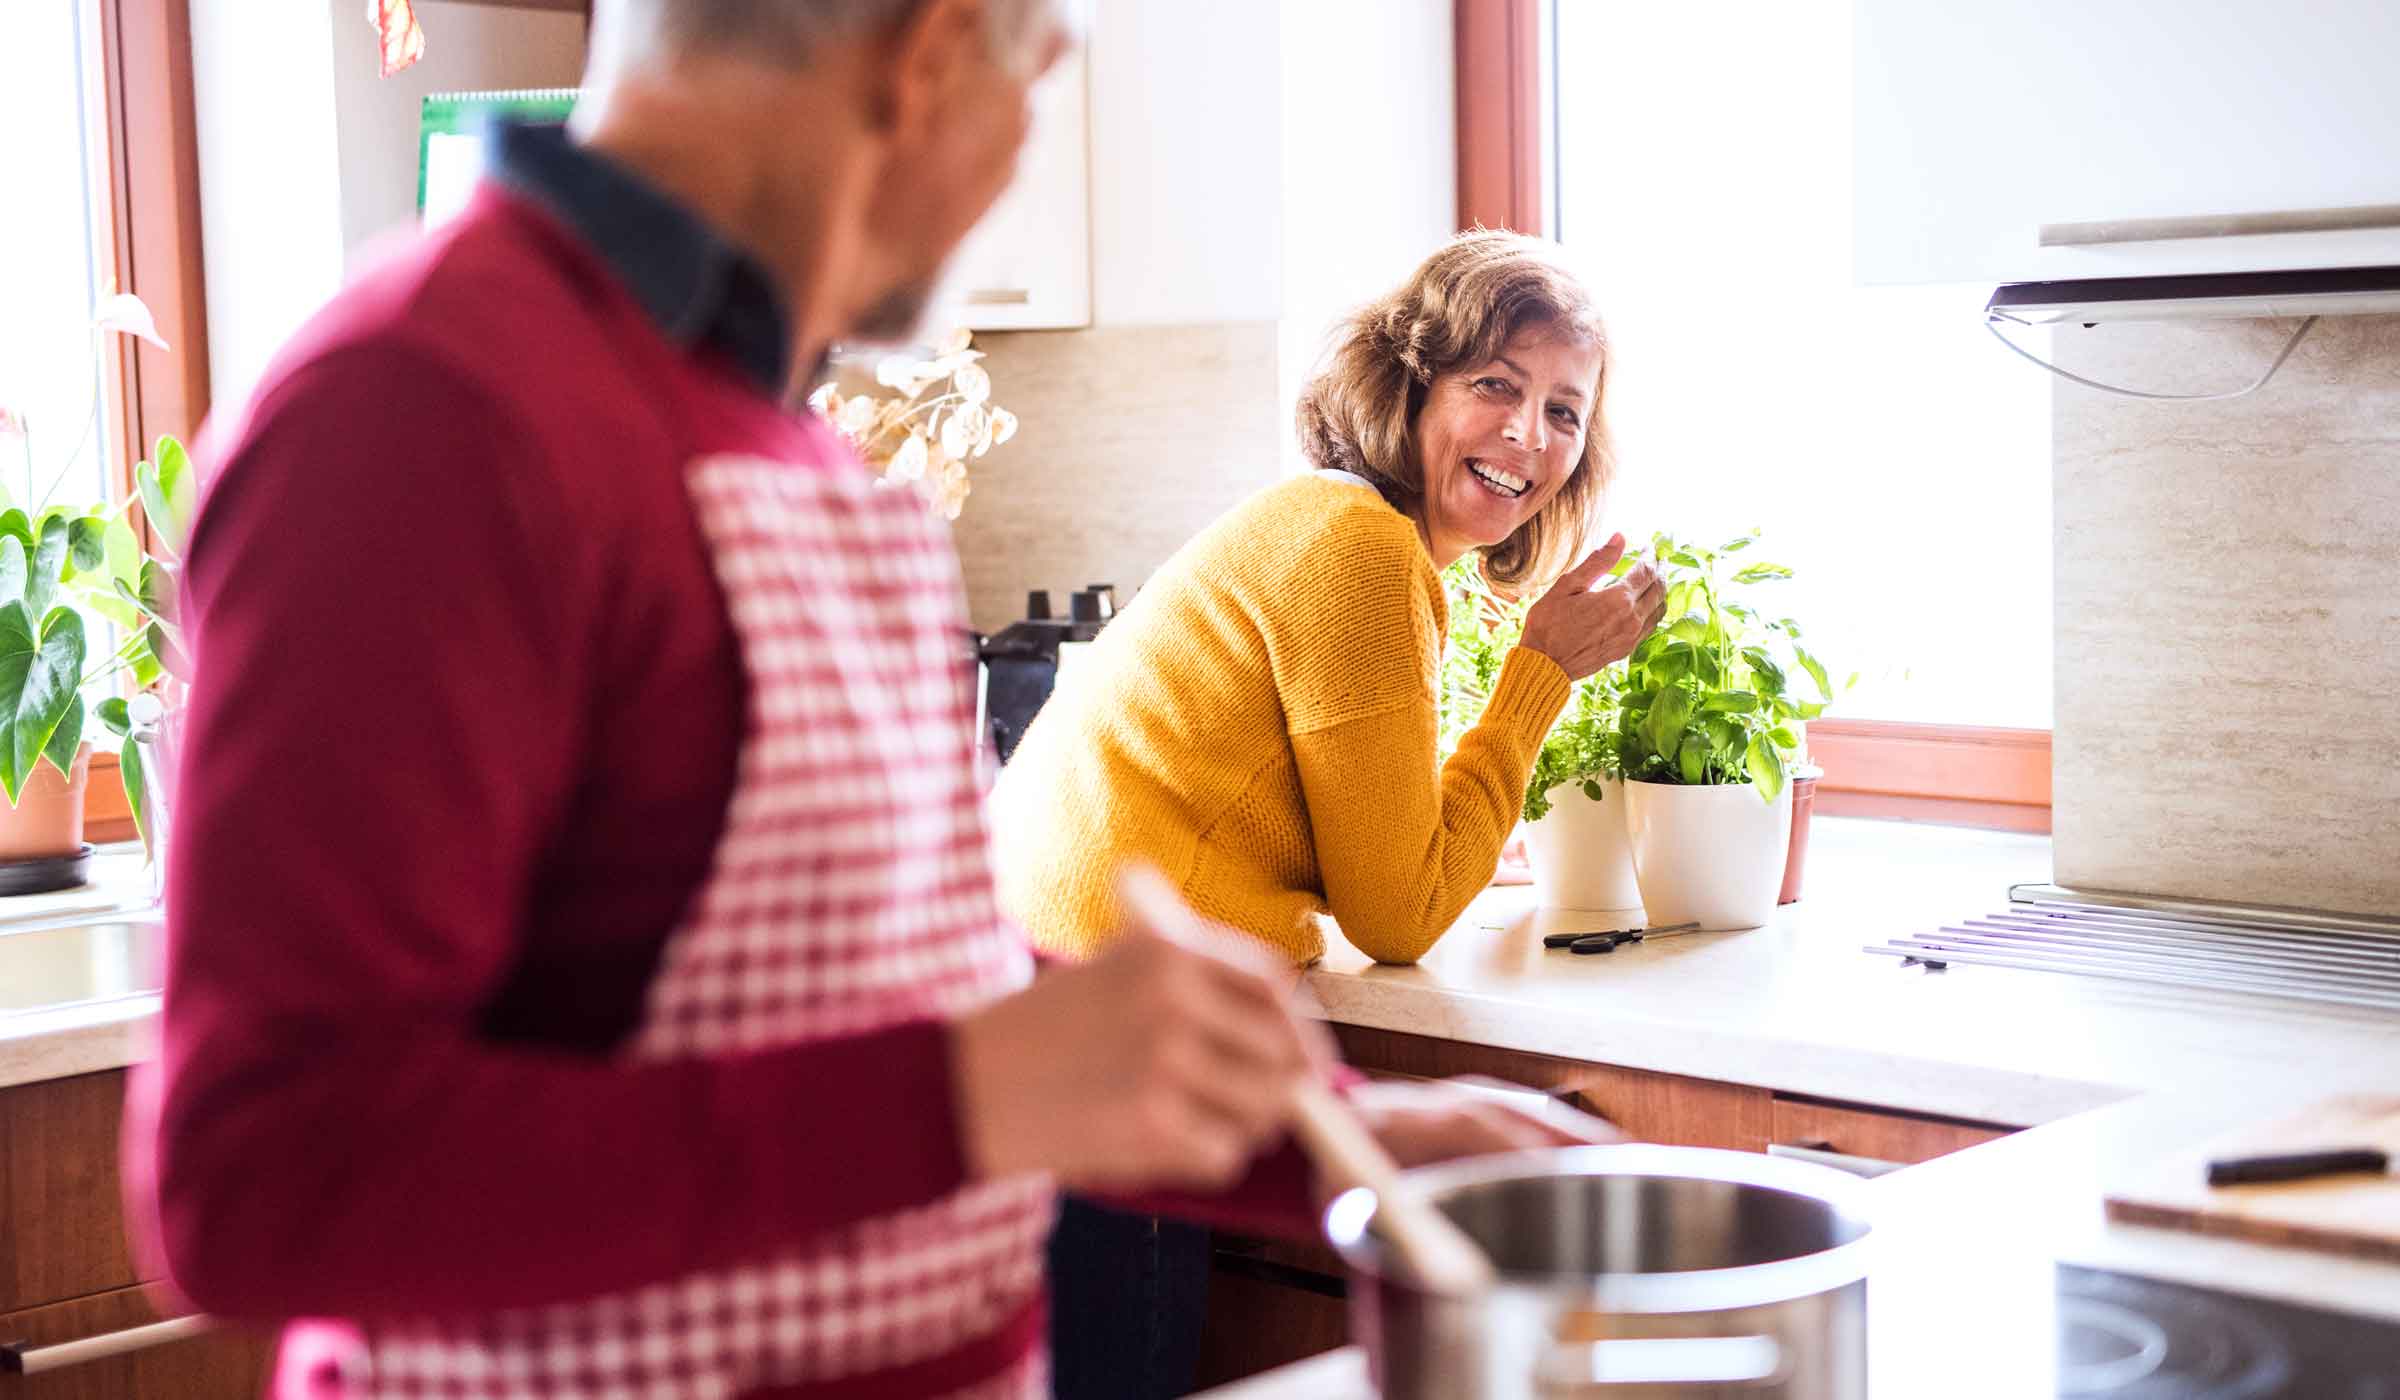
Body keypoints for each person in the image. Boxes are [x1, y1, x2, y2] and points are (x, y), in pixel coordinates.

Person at [123, 4, 1611, 1398]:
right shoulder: (427, 408)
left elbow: (914, 1011)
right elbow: (258, 1180)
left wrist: (1342, 1146)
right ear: (932, 55)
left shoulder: (792, 449)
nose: (1008, 171)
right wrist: (964, 1092)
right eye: (1032, 86)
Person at [992, 231, 1667, 972]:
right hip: (1121, 985)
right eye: (1495, 385)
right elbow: (1401, 920)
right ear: (1411, 388)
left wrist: (1453, 843)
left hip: (1058, 961)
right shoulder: (1363, 551)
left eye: (1564, 412)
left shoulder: (1322, 518)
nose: (1527, 432)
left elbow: (1368, 851)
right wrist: (1542, 670)